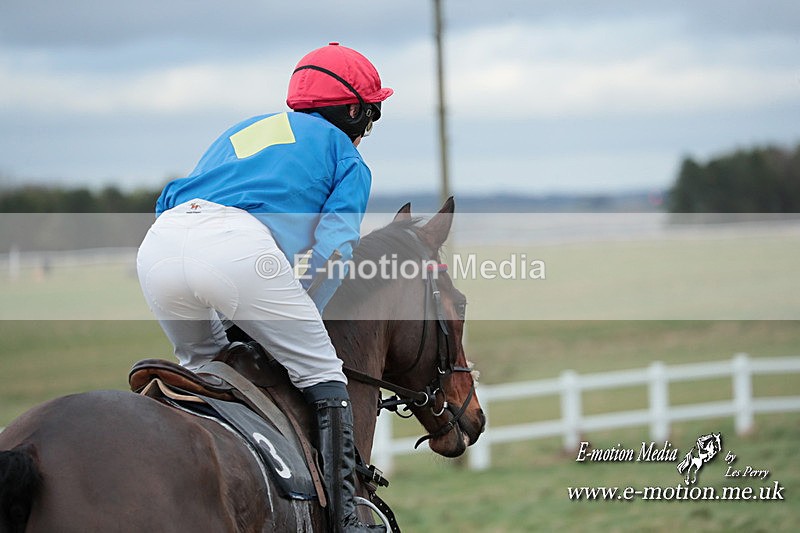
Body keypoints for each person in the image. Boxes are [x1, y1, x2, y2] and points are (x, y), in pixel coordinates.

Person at [136, 42, 392, 532]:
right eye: (371, 115)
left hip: (162, 241)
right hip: (235, 249)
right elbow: (336, 249)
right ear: (356, 110)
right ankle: (346, 520)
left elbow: (173, 198)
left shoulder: (244, 129)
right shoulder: (348, 159)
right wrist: (302, 311)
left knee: (208, 366)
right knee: (323, 369)